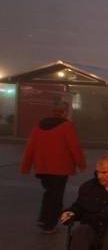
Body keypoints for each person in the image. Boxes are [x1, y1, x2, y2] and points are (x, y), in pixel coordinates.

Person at [20, 99, 87, 234]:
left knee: (49, 193)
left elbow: (30, 147)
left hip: (43, 168)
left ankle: (45, 219)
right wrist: (81, 164)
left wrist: (25, 166)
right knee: (56, 195)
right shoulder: (67, 126)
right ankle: (49, 223)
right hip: (60, 169)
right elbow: (74, 147)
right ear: (65, 112)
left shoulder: (39, 125)